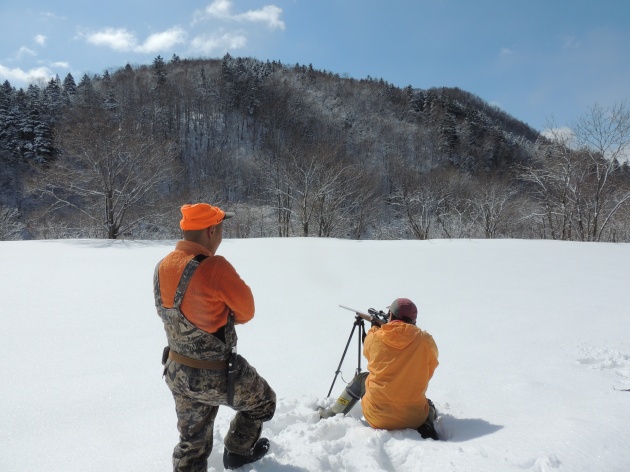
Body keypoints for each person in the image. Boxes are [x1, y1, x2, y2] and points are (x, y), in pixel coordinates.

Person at [153, 203, 276, 471]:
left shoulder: (162, 267)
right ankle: (238, 452)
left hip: (177, 372)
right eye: (220, 228)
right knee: (264, 402)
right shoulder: (215, 267)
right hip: (218, 375)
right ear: (211, 231)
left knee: (192, 442)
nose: (221, 234)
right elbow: (246, 311)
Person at [319, 298, 439, 439]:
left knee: (360, 379)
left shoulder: (376, 337)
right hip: (413, 418)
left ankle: (331, 414)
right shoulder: (425, 340)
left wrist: (375, 327)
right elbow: (430, 365)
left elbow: (369, 353)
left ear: (391, 316)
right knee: (427, 405)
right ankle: (428, 426)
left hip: (376, 416)